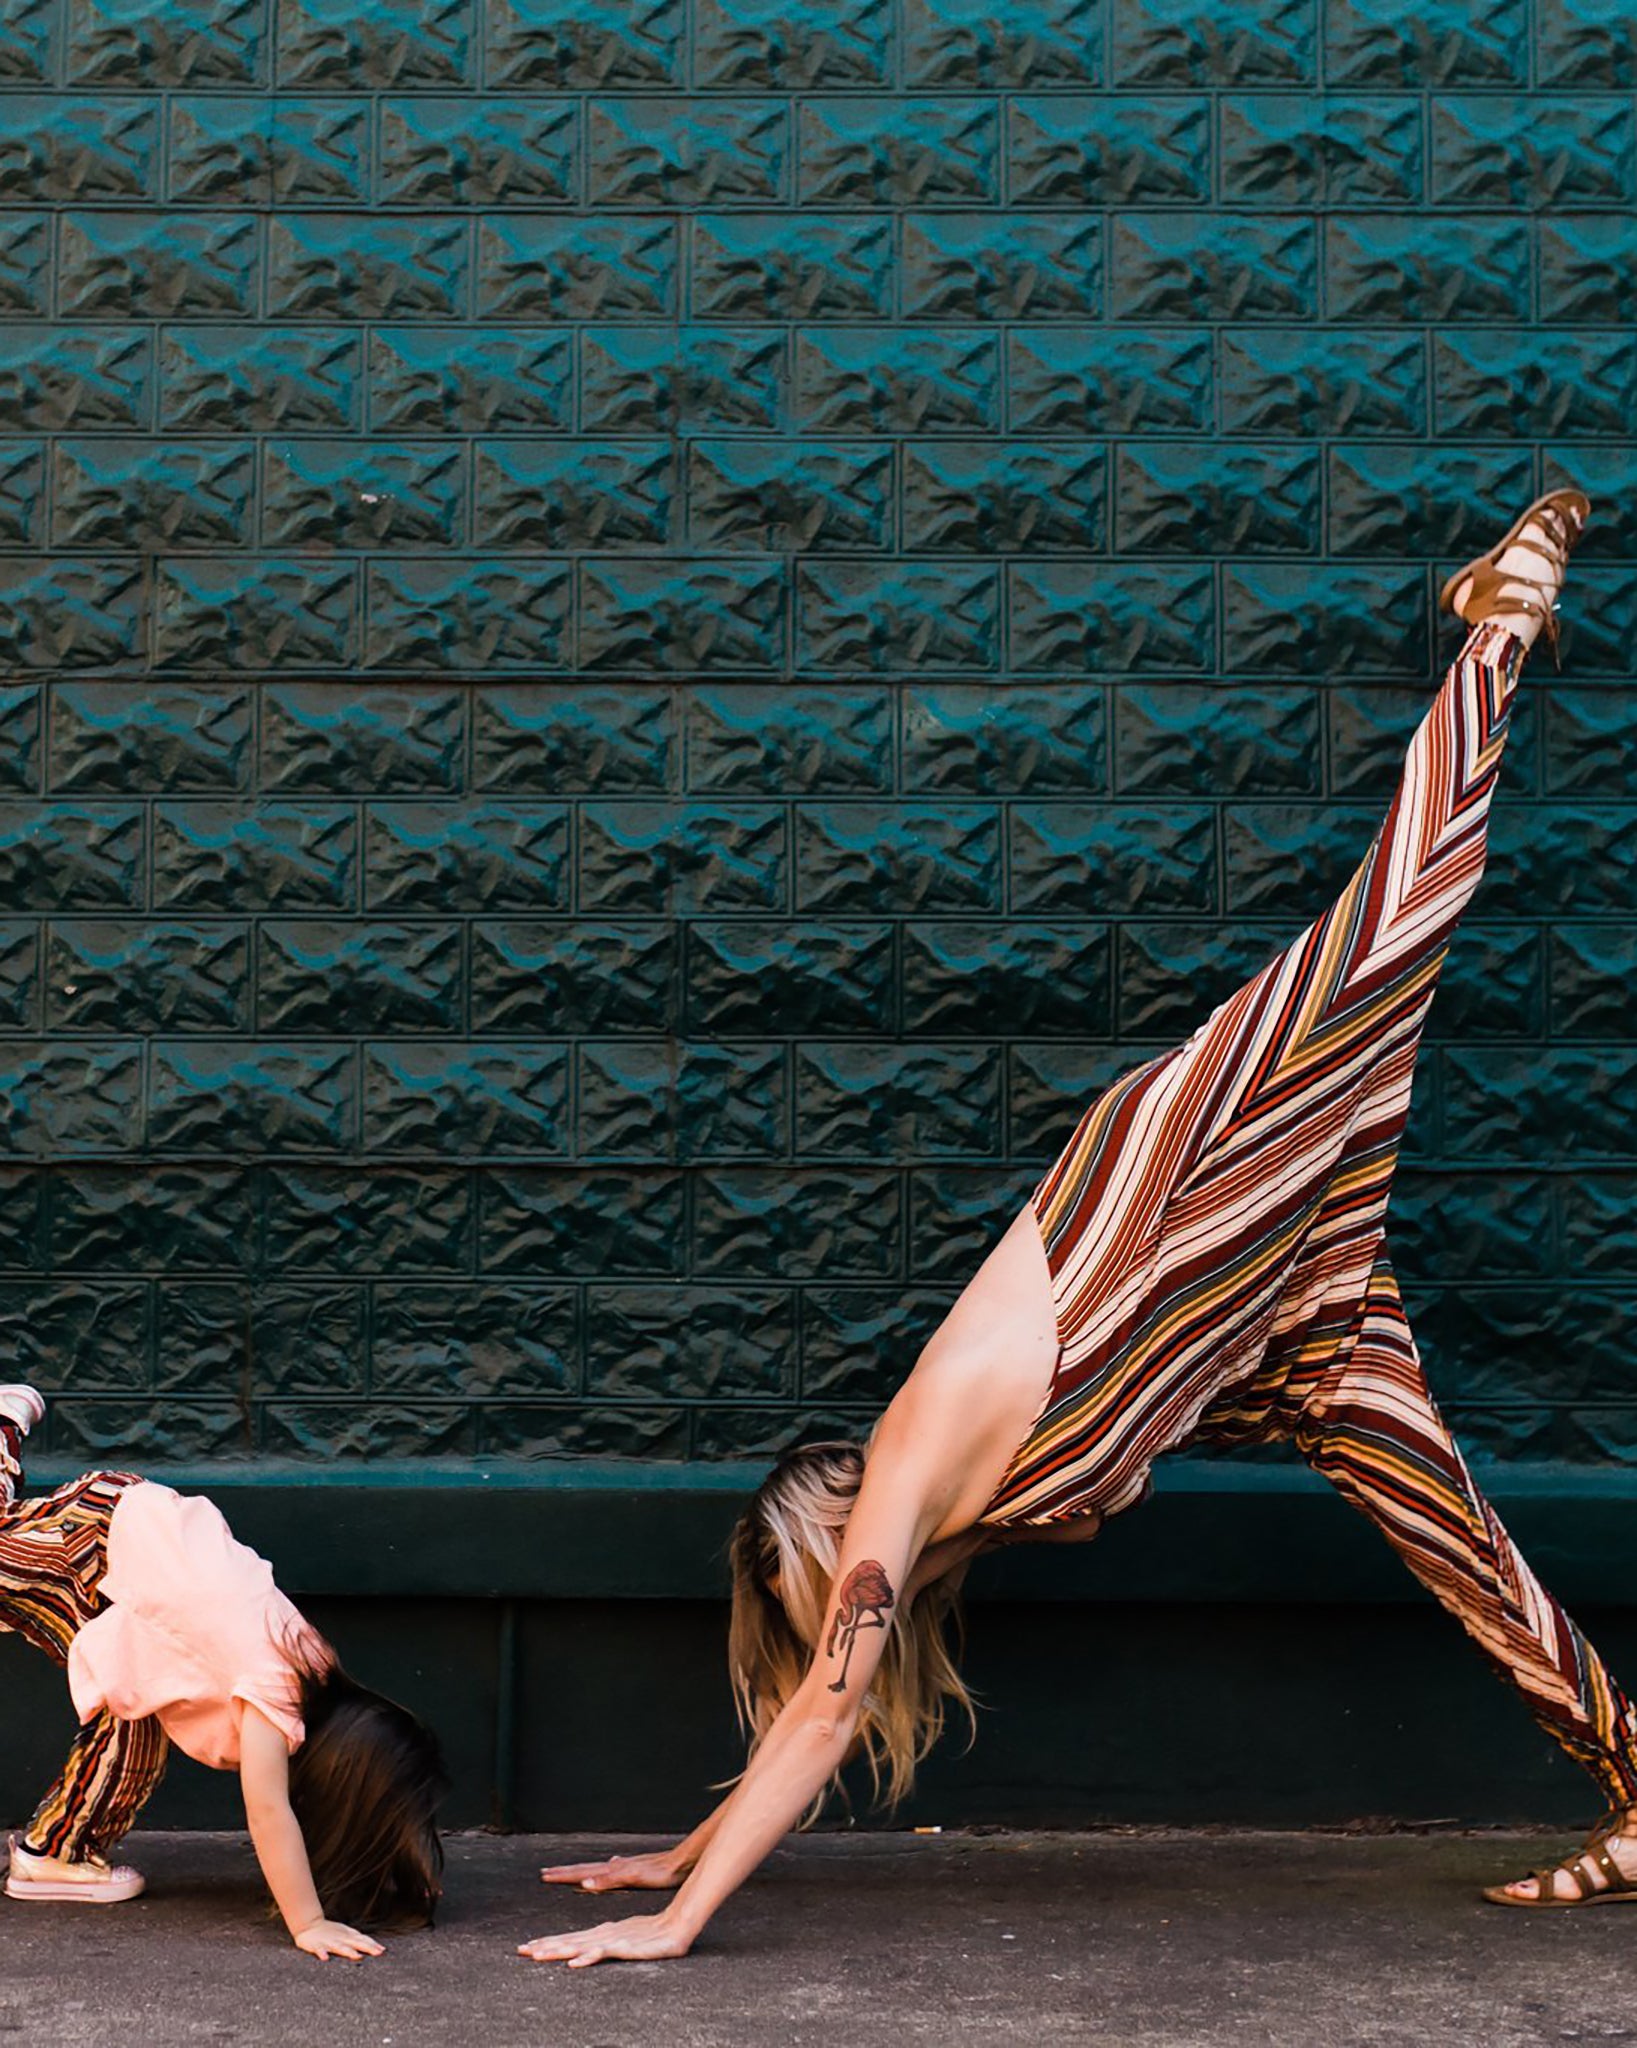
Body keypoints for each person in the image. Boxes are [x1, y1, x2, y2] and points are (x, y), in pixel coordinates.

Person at [518, 488, 1637, 1968]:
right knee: (1459, 1543)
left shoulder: (906, 1476)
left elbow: (831, 1702)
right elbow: (824, 1705)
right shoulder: (941, 1523)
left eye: (806, 1599)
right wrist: (687, 1845)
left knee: (1391, 927)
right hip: (1278, 1327)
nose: (826, 1636)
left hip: (1181, 1181)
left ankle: (1502, 623)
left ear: (823, 1526)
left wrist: (678, 1922)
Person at [0, 1384, 445, 1955]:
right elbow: (268, 1810)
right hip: (96, 1542)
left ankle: (58, 1851)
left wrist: (403, 1872)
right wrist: (306, 1922)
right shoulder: (276, 1696)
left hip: (126, 1544)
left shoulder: (312, 1668)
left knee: (130, 1728)